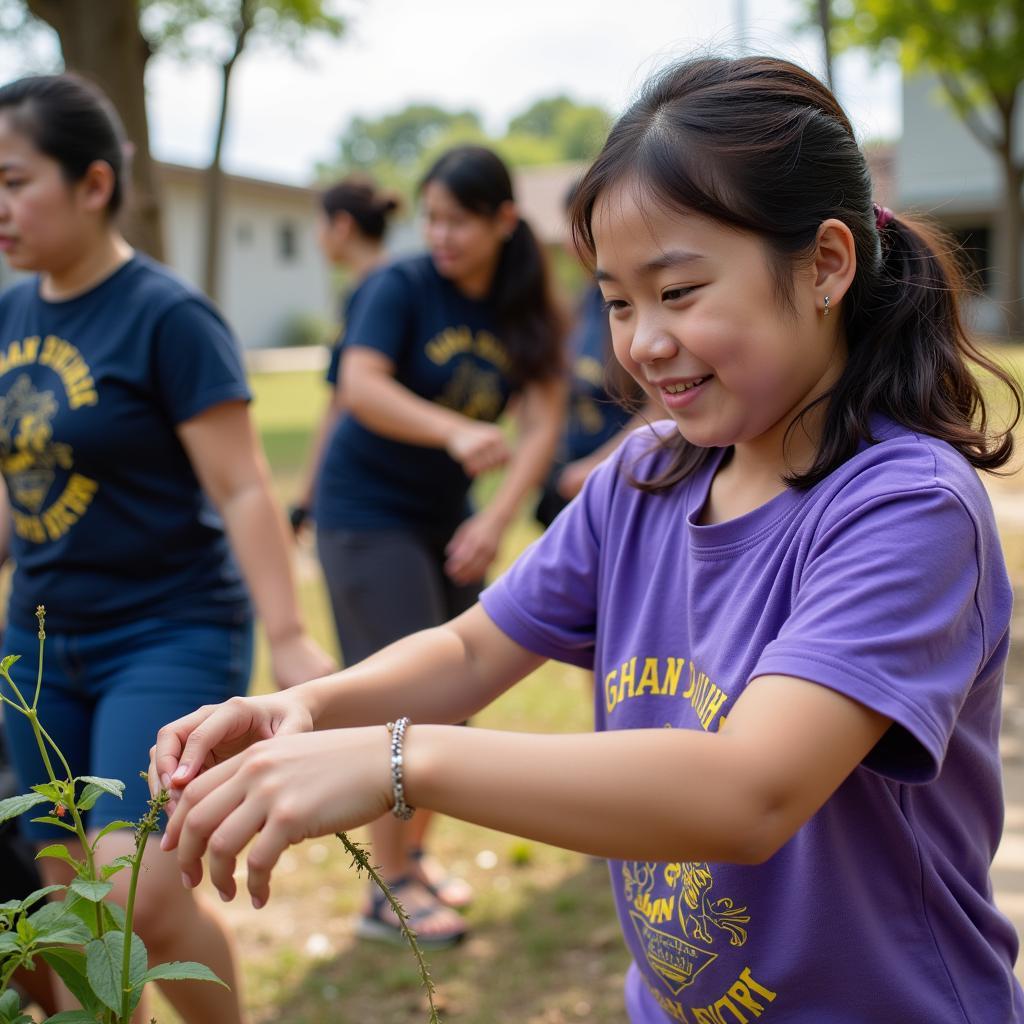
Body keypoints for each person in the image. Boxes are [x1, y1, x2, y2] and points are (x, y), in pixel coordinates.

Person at [151, 54, 1024, 1022]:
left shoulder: (904, 507)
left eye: (679, 290)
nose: (642, 340)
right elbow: (472, 648)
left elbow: (748, 794)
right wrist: (304, 707)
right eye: (616, 301)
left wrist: (397, 763)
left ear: (824, 264)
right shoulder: (645, 475)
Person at [0, 73, 334, 1024]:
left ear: (93, 183)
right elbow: (15, 488)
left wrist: (291, 632)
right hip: (40, 648)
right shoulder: (10, 318)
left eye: (15, 179)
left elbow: (241, 484)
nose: (1, 206)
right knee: (68, 911)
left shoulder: (167, 317)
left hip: (166, 631)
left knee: (138, 896)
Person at [312, 144, 566, 947]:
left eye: (459, 220)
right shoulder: (399, 285)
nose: (442, 235)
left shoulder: (526, 304)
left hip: (445, 519)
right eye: (432, 219)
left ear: (503, 221)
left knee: (451, 704)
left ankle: (411, 866)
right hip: (363, 514)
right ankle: (383, 892)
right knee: (401, 704)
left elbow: (543, 421)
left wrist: (494, 521)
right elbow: (360, 385)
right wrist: (453, 428)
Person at [535, 183, 659, 529]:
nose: (571, 241)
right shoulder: (582, 305)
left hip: (629, 486)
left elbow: (664, 408)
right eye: (568, 227)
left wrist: (600, 468)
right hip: (576, 488)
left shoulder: (630, 309)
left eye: (580, 227)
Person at [289, 176, 399, 534]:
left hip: (373, 494)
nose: (316, 236)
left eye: (320, 224)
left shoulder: (376, 291)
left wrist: (305, 497)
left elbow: (341, 400)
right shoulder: (389, 285)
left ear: (342, 225)